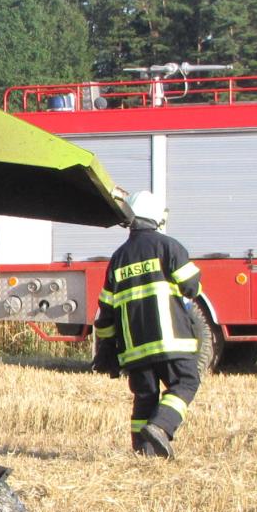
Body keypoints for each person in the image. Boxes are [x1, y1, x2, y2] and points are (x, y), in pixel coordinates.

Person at [91, 190, 202, 458]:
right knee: (186, 382)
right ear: (156, 218)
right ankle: (161, 427)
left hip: (135, 350)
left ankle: (144, 451)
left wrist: (106, 350)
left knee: (145, 397)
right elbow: (192, 287)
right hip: (170, 341)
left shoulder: (118, 258)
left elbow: (105, 313)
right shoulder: (169, 247)